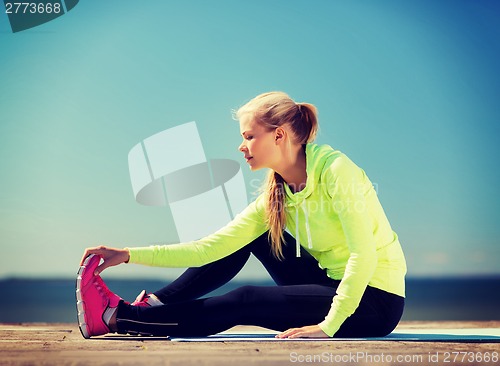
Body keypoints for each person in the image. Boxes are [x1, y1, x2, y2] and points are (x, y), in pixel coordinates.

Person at [77, 91, 406, 339]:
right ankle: (155, 304)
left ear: (279, 135)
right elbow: (209, 248)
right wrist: (127, 254)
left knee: (246, 299)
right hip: (328, 285)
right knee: (255, 237)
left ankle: (117, 318)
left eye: (249, 136)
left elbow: (363, 256)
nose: (241, 145)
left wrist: (326, 328)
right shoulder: (275, 196)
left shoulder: (336, 171)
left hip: (373, 301)